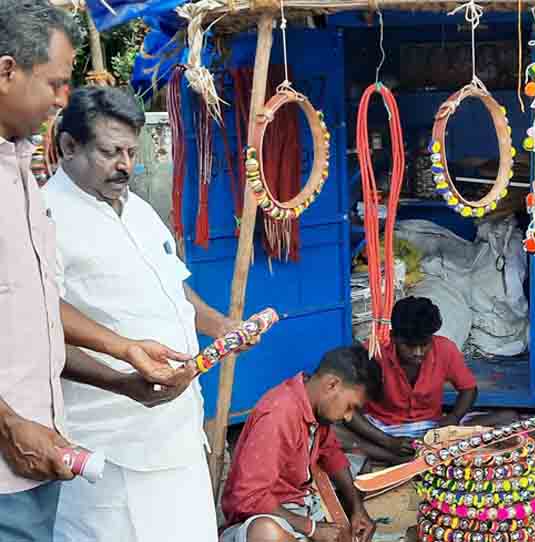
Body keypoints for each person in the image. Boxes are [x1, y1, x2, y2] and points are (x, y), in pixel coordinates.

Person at [0, 3, 191, 540]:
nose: (63, 98)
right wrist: (11, 424)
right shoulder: (51, 197)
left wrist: (122, 353)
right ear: (7, 70)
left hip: (41, 457)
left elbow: (36, 311)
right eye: (56, 83)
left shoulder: (18, 173)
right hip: (22, 448)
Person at [44, 86, 248, 541]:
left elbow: (173, 289)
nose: (125, 165)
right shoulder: (44, 214)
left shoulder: (137, 209)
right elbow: (40, 319)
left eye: (132, 151)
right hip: (111, 443)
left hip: (178, 431)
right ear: (69, 146)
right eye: (110, 151)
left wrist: (219, 326)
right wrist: (119, 378)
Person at [221, 345, 381, 542]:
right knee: (266, 534)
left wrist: (357, 508)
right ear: (332, 385)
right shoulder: (278, 414)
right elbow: (248, 496)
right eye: (350, 407)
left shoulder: (314, 405)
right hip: (269, 513)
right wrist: (312, 528)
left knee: (360, 464)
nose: (348, 417)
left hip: (303, 501)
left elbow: (332, 455)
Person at [336, 296, 515, 467]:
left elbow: (469, 389)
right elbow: (347, 409)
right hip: (382, 428)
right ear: (393, 337)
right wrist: (388, 442)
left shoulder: (445, 349)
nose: (418, 352)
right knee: (334, 433)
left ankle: (408, 456)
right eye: (409, 346)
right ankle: (397, 456)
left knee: (509, 418)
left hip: (434, 428)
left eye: (424, 344)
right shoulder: (372, 352)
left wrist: (453, 417)